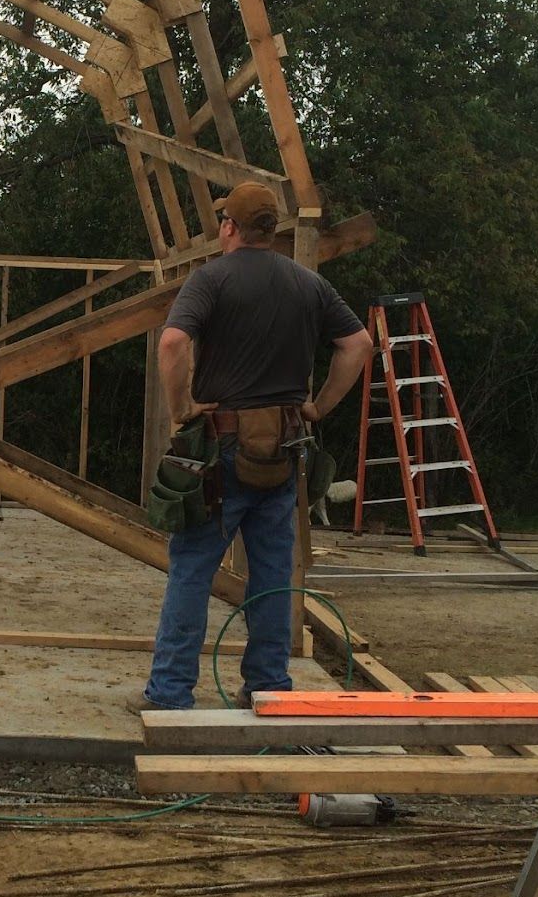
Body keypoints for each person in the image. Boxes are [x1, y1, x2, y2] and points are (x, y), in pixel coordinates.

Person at [128, 183, 373, 713]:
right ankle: (267, 689)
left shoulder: (210, 279)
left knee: (193, 569)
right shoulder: (308, 284)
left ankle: (170, 695)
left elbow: (172, 343)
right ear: (272, 230)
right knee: (272, 574)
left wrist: (182, 409)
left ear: (231, 228)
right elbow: (358, 344)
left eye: (224, 222)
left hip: (221, 452)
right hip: (285, 452)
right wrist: (319, 406)